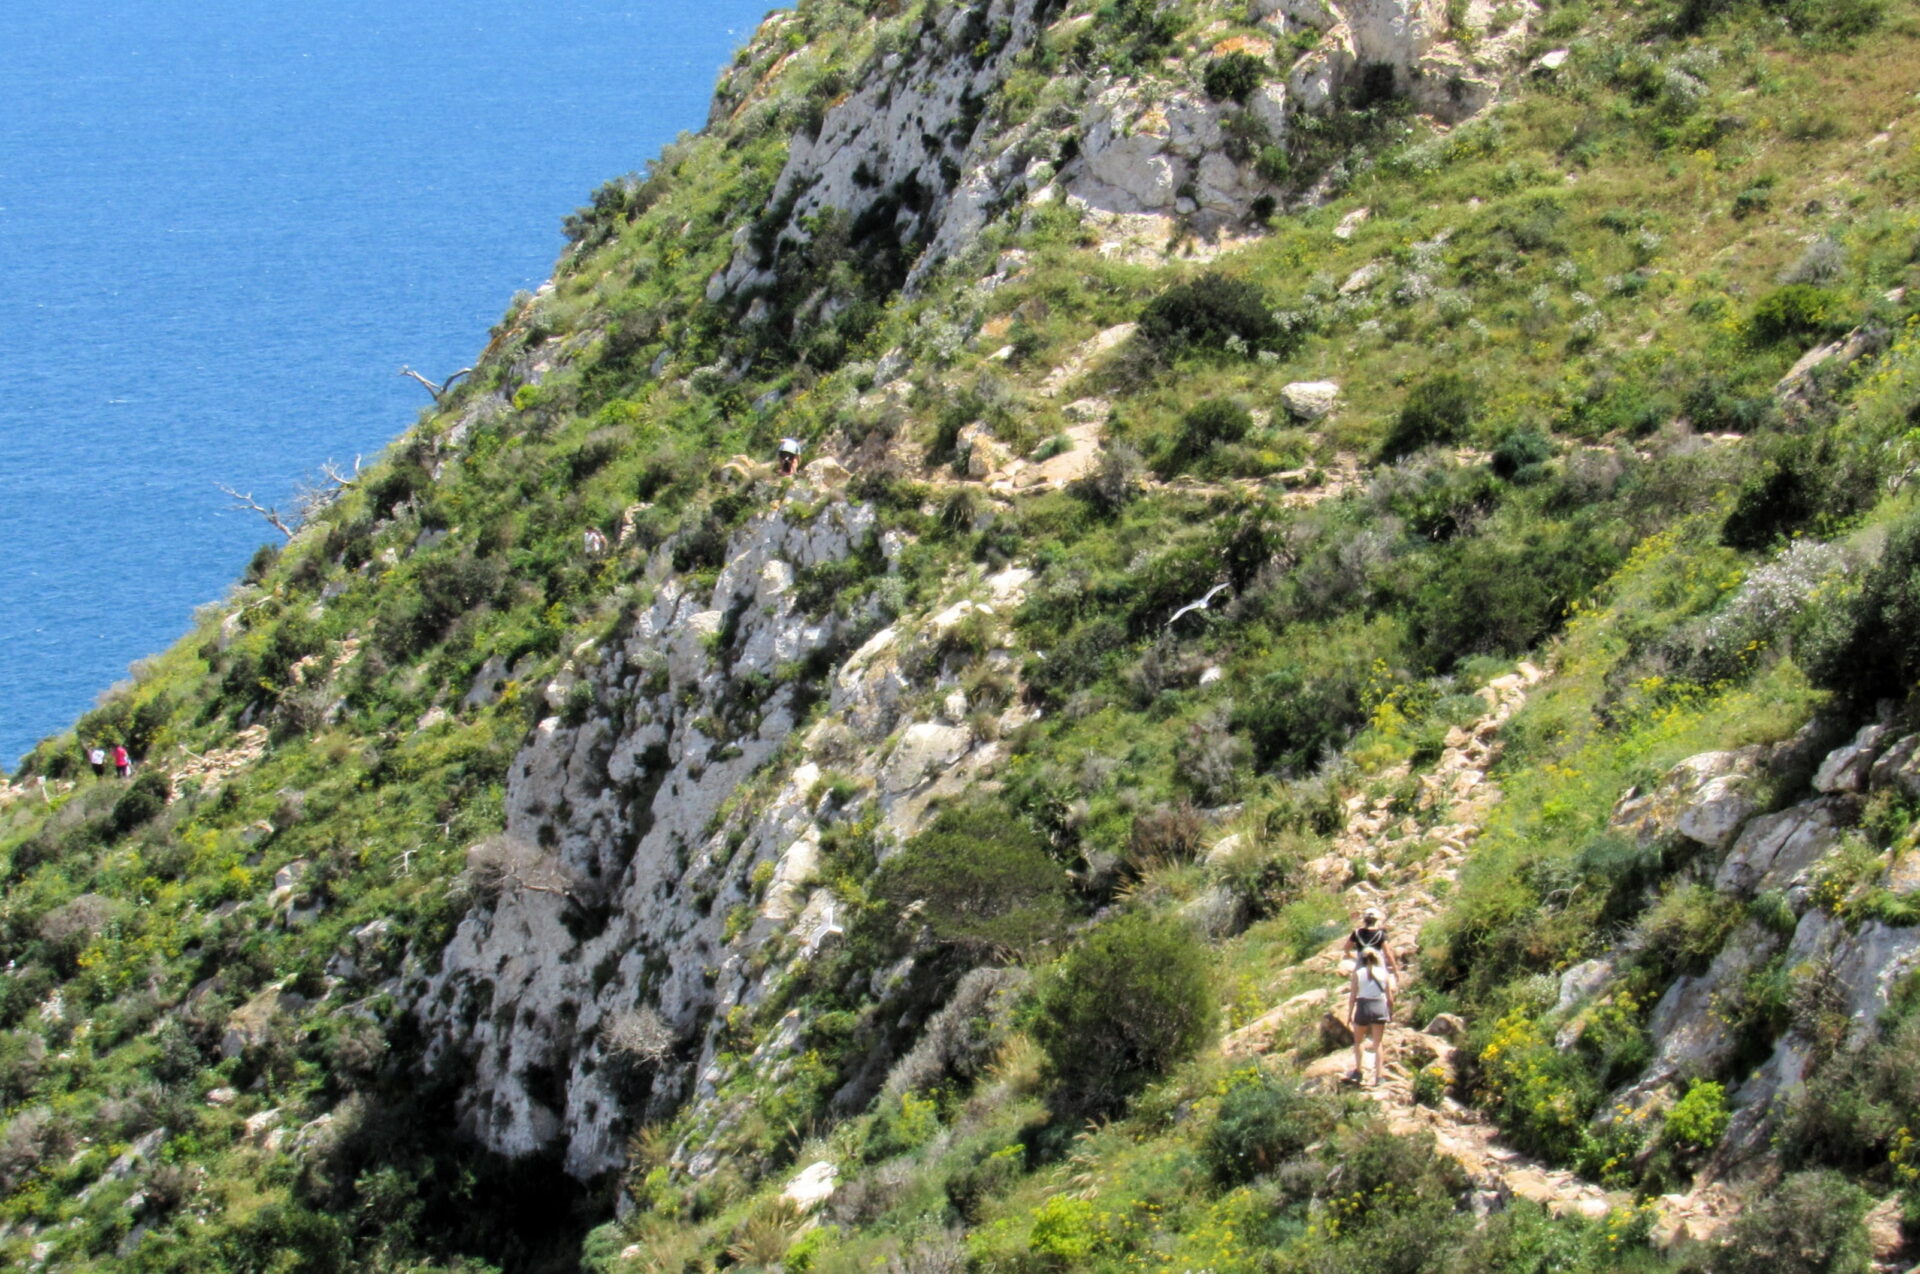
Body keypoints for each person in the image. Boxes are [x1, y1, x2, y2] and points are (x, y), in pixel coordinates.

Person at [1348, 946, 1395, 1086]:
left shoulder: (1358, 973)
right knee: (1378, 1043)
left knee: (1358, 1041)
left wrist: (1349, 1014)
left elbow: (1352, 996)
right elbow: (1390, 998)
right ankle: (1379, 1077)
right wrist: (1390, 1012)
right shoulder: (1384, 973)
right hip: (1379, 1006)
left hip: (1363, 1006)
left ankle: (1358, 1071)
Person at [1342, 906, 1399, 977]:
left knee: (1356, 980)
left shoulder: (1357, 933)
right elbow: (1388, 953)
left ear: (1364, 920)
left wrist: (1350, 955)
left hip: (1361, 963)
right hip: (1378, 963)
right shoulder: (1380, 934)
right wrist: (1395, 969)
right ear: (1376, 921)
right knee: (1385, 983)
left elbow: (1346, 948)